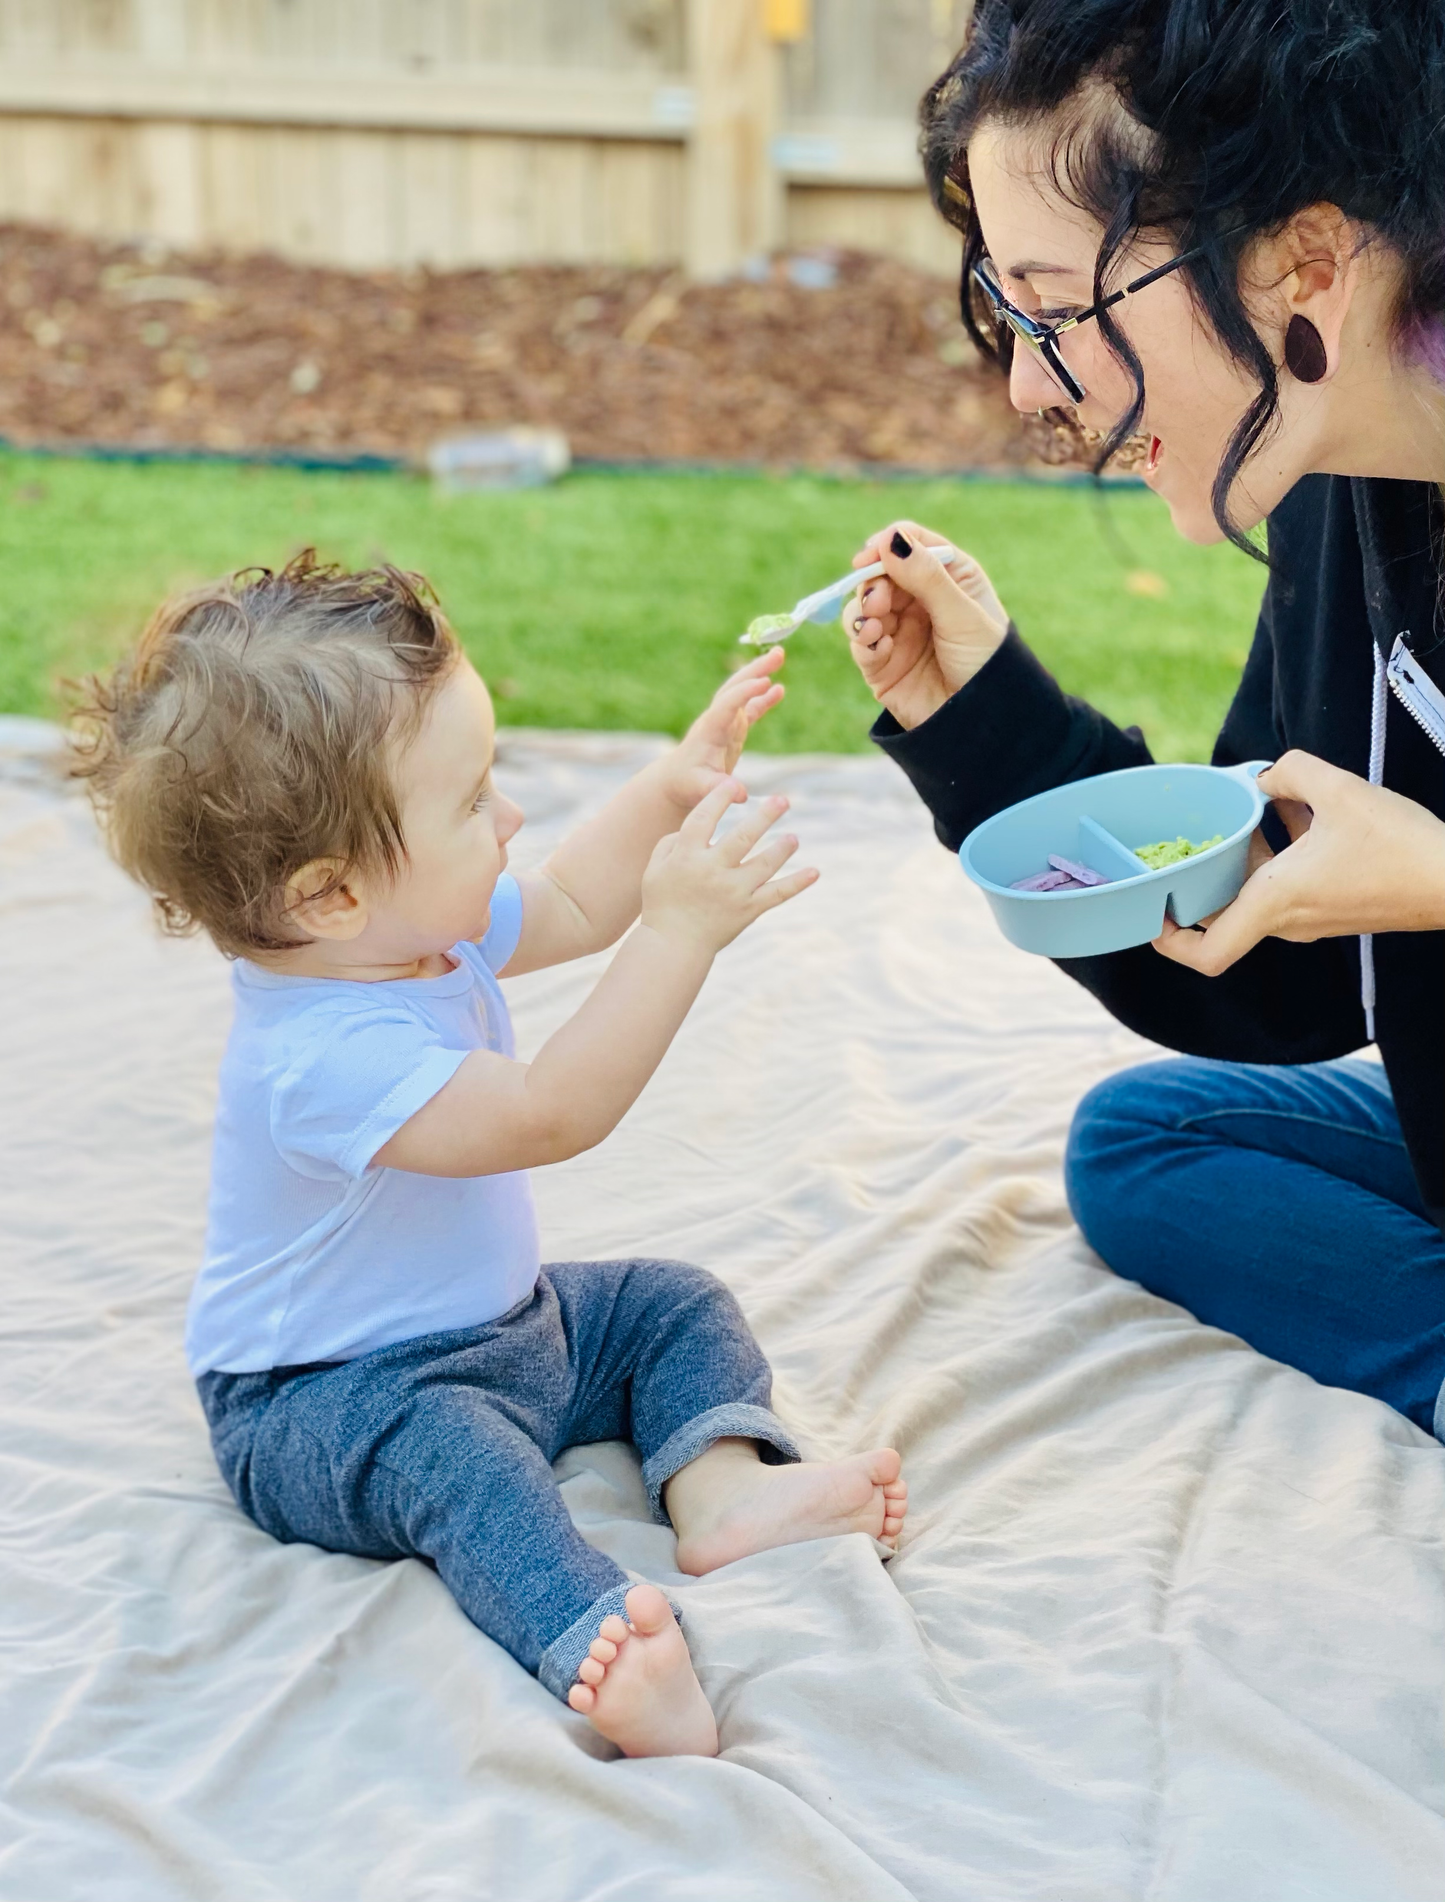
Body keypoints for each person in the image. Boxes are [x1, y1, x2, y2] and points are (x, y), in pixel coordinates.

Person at [73, 554, 907, 1759]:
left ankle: (720, 1494)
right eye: (471, 803)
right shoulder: (319, 1055)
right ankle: (593, 1638)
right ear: (328, 895)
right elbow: (546, 1114)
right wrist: (680, 935)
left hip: (505, 1331)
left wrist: (668, 790)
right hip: (326, 1398)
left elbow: (570, 896)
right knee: (462, 1465)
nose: (509, 819)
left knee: (669, 1303)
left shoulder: (416, 937)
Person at [844, 0, 1445, 1439]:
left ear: (1306, 261)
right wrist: (990, 729)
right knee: (1146, 1140)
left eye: (1058, 306)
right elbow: (1281, 970)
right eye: (1012, 310)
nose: (1025, 383)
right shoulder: (1337, 479)